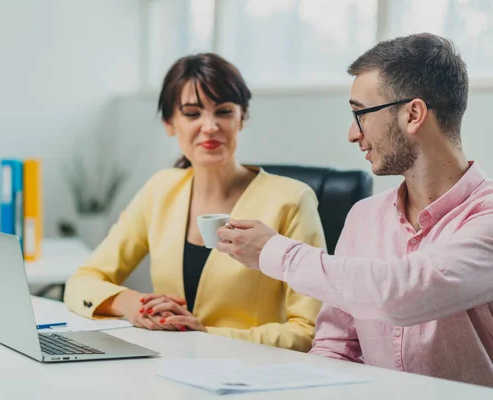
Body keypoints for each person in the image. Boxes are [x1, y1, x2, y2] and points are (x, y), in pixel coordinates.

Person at [216, 33, 493, 386]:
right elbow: (335, 346)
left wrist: (275, 252)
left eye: (360, 114)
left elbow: (402, 294)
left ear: (413, 114)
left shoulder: (486, 217)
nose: (352, 133)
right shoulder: (363, 217)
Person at [64, 53, 326, 350]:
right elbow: (81, 283)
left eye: (224, 111)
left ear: (242, 117)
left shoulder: (290, 200)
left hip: (250, 374)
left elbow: (310, 331)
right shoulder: (160, 190)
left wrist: (206, 334)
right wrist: (134, 304)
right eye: (192, 113)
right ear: (169, 123)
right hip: (167, 369)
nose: (210, 126)